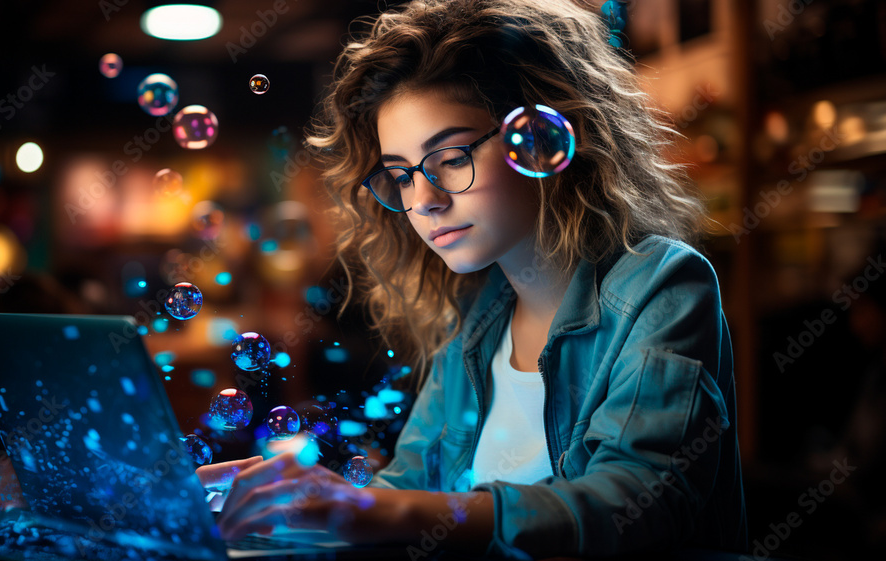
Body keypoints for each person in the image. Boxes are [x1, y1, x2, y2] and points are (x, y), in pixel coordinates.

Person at [197, 0, 747, 558]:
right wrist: (278, 509)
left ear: (538, 139)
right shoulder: (477, 317)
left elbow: (634, 504)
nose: (425, 202)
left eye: (452, 157)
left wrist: (381, 510)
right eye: (401, 176)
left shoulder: (663, 285)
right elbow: (408, 490)